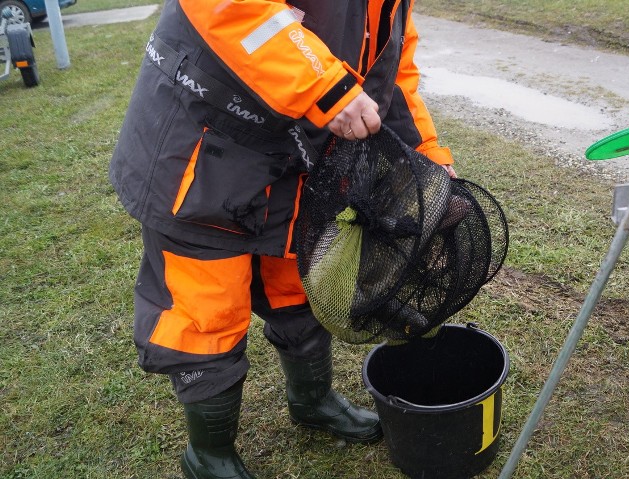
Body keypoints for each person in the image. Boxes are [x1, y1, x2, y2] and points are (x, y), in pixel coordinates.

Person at [109, 1, 455, 477]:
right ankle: (208, 456)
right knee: (207, 312)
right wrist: (327, 87)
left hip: (297, 167)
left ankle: (312, 401)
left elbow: (394, 70)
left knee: (297, 287)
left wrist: (427, 154)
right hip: (199, 153)